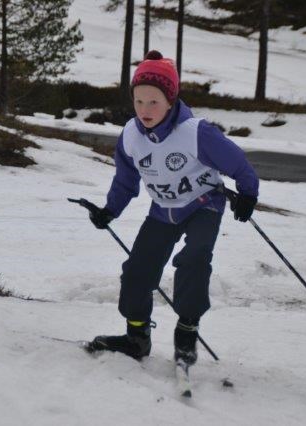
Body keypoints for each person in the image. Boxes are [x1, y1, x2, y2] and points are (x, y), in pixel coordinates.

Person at [87, 50, 259, 365]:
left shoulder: (196, 132)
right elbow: (126, 182)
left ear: (170, 100)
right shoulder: (130, 136)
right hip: (163, 210)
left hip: (203, 205)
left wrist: (248, 194)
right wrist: (109, 211)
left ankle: (186, 332)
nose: (145, 110)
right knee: (138, 270)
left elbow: (238, 163)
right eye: (139, 101)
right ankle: (136, 337)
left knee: (194, 260)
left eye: (153, 102)